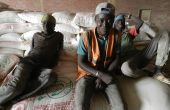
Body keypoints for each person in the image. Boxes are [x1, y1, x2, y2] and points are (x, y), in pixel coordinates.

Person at [0, 14, 63, 106]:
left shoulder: (58, 36)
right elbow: (32, 49)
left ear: (54, 25)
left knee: (51, 77)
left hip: (43, 67)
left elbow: (60, 50)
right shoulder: (36, 35)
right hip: (28, 62)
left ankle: (16, 98)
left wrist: (53, 62)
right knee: (15, 87)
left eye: (49, 24)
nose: (46, 26)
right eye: (44, 23)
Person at [74, 2, 125, 110]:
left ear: (113, 20)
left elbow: (117, 57)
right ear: (95, 20)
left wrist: (104, 75)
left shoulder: (116, 35)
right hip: (88, 74)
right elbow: (81, 62)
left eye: (109, 20)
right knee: (80, 107)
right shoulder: (86, 36)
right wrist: (99, 75)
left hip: (108, 72)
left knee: (121, 107)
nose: (105, 24)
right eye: (101, 20)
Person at [113, 14, 170, 84]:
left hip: (141, 56)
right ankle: (147, 73)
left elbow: (140, 23)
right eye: (118, 21)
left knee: (163, 33)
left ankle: (158, 71)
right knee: (126, 69)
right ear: (114, 23)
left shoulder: (128, 34)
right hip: (127, 62)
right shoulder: (110, 38)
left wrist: (129, 15)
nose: (121, 22)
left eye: (122, 21)